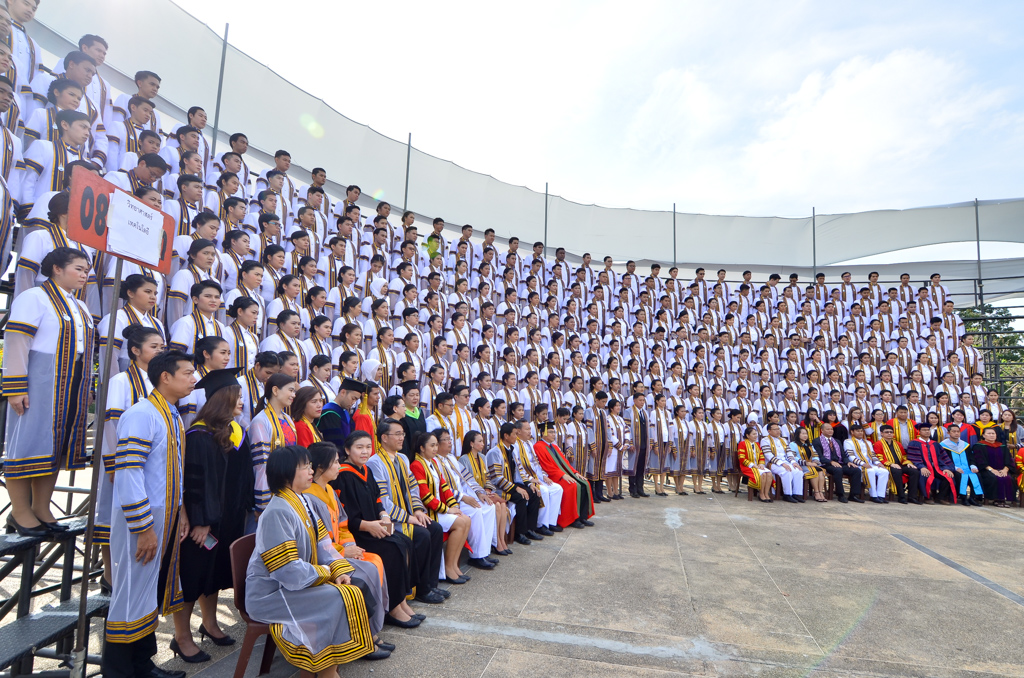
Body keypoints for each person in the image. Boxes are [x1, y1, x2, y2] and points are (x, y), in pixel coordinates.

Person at [244, 445, 388, 670]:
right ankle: (327, 669)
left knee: (350, 586)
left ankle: (334, 662)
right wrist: (327, 573)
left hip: (294, 583)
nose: (311, 471)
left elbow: (324, 545)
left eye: (310, 466)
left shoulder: (303, 501)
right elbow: (286, 570)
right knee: (340, 596)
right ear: (286, 473)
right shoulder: (277, 511)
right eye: (305, 467)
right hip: (271, 594)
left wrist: (337, 570)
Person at [103, 351, 196, 678]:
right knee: (130, 593)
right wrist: (143, 527)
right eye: (187, 373)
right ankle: (119, 671)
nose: (193, 379)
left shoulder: (170, 414)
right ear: (165, 377)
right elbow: (129, 474)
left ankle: (142, 665)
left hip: (165, 516)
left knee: (147, 593)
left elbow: (172, 473)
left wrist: (181, 512)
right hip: (142, 519)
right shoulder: (142, 414)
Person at [3, 248, 95, 536]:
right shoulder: (34, 297)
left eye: (86, 270)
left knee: (55, 444)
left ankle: (41, 507)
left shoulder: (79, 306)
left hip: (72, 379)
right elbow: (17, 341)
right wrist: (16, 386)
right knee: (27, 442)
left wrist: (86, 387)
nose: (84, 275)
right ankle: (19, 511)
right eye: (78, 268)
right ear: (57, 268)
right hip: (40, 378)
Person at [173, 368, 253, 661]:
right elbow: (195, 483)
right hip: (204, 523)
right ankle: (181, 637)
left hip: (229, 518)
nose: (242, 402)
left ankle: (210, 623)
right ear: (222, 399)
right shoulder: (199, 435)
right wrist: (201, 521)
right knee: (193, 576)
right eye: (237, 397)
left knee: (215, 574)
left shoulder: (235, 430)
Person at [303, 442, 391, 653]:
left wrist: (350, 546)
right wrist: (343, 552)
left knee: (375, 561)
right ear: (321, 467)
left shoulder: (330, 490)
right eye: (335, 462)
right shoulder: (310, 498)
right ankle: (364, 634)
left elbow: (342, 526)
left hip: (338, 550)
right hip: (326, 558)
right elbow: (317, 541)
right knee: (367, 570)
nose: (338, 465)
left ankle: (372, 628)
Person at [334, 431, 424, 628]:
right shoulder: (343, 476)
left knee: (404, 542)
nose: (365, 452)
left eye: (368, 447)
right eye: (359, 447)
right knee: (391, 550)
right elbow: (346, 517)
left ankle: (401, 601)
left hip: (375, 526)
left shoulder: (366, 470)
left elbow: (377, 499)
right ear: (347, 450)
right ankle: (393, 608)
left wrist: (383, 515)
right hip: (358, 533)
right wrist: (369, 526)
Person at [365, 418, 446, 604]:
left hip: (408, 514)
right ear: (384, 437)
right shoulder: (375, 463)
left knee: (435, 529)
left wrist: (417, 510)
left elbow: (413, 488)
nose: (402, 438)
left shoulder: (402, 458)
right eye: (397, 434)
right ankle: (420, 589)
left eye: (402, 434)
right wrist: (408, 517)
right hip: (390, 519)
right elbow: (383, 500)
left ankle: (430, 583)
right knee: (422, 535)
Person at [409, 431, 472, 584]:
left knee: (466, 519)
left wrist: (454, 506)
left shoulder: (434, 462)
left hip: (439, 508)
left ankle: (454, 565)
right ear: (422, 448)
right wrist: (447, 509)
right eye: (432, 445)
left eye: (436, 445)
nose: (435, 448)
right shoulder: (416, 465)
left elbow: (444, 487)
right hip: (429, 512)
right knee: (460, 523)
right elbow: (425, 496)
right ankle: (449, 568)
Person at [248, 373, 298, 513]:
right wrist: (263, 503)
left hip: (288, 487)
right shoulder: (260, 421)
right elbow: (261, 465)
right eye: (290, 390)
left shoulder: (287, 419)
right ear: (275, 390)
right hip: (271, 491)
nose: (293, 395)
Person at [487, 422, 542, 544]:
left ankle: (530, 529)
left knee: (534, 493)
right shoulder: (495, 452)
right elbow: (496, 478)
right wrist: (516, 488)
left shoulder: (512, 449)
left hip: (511, 484)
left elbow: (519, 470)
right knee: (521, 497)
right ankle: (519, 533)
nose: (516, 437)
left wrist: (529, 484)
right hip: (500, 489)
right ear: (506, 436)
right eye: (514, 434)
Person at [534, 421, 595, 528]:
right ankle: (572, 519)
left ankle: (582, 517)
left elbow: (565, 462)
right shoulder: (538, 446)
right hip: (551, 476)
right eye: (551, 432)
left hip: (561, 473)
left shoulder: (554, 446)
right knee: (572, 486)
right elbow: (546, 466)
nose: (554, 434)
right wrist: (562, 475)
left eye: (554, 432)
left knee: (585, 483)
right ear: (543, 433)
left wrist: (575, 473)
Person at [906, 422, 956, 505]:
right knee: (924, 475)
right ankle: (927, 497)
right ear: (919, 432)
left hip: (936, 467)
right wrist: (921, 467)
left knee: (948, 476)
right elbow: (913, 458)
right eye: (924, 430)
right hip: (922, 467)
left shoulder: (935, 444)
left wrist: (946, 468)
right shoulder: (914, 443)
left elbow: (943, 457)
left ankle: (940, 497)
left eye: (928, 430)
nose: (927, 431)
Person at [813, 423, 865, 503]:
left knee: (856, 470)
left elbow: (843, 455)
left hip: (839, 463)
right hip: (826, 464)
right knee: (838, 470)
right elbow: (819, 456)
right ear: (822, 430)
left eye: (831, 429)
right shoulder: (817, 441)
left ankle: (853, 495)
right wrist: (831, 462)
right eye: (828, 429)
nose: (830, 431)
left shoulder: (837, 441)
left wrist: (848, 462)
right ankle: (840, 494)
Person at [874, 424, 922, 504]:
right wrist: (891, 464)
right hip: (887, 466)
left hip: (900, 465)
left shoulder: (898, 444)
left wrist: (908, 463)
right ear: (881, 433)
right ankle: (901, 496)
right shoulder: (878, 444)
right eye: (887, 432)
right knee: (897, 471)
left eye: (891, 432)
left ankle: (912, 497)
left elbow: (904, 456)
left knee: (914, 471)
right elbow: (879, 458)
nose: (889, 434)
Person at [844, 424, 889, 503]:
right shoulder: (848, 441)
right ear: (852, 432)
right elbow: (851, 456)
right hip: (858, 465)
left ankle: (881, 496)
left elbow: (872, 455)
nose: (860, 433)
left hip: (870, 464)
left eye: (861, 431)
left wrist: (878, 463)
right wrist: (863, 464)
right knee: (870, 471)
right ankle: (873, 496)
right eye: (858, 431)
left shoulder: (868, 442)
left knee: (884, 471)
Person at [972, 426, 1016, 507]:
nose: (991, 435)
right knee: (993, 478)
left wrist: (1005, 469)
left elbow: (1009, 460)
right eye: (989, 433)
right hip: (986, 470)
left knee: (1008, 478)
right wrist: (992, 470)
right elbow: (980, 460)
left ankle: (1004, 500)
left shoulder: (1002, 446)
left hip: (1002, 470)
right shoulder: (978, 446)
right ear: (984, 435)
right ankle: (995, 499)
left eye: (993, 433)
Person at [941, 424, 983, 506]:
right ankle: (963, 498)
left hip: (967, 468)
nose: (956, 433)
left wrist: (973, 466)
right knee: (959, 475)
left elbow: (971, 458)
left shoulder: (965, 445)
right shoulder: (943, 445)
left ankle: (973, 498)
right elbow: (944, 460)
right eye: (954, 431)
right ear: (948, 433)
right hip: (953, 468)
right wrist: (955, 468)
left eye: (958, 431)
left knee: (976, 474)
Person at [317, 377, 366, 449]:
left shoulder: (345, 412)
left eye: (356, 400)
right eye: (353, 398)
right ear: (343, 392)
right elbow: (335, 444)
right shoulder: (329, 414)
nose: (353, 403)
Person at [737, 426, 774, 502]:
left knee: (769, 473)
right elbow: (742, 458)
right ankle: (761, 494)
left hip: (757, 466)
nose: (756, 436)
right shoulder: (742, 443)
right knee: (763, 474)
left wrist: (761, 464)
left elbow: (761, 456)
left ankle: (766, 494)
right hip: (747, 466)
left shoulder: (757, 444)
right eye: (753, 434)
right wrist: (753, 465)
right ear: (747, 435)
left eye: (756, 434)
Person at [788, 426, 825, 502]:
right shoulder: (793, 444)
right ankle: (816, 492)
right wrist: (806, 463)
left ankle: (820, 492)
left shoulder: (809, 445)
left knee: (821, 471)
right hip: (800, 464)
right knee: (813, 471)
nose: (805, 435)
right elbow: (793, 456)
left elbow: (815, 455)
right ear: (798, 435)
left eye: (806, 434)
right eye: (803, 434)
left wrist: (815, 461)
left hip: (811, 464)